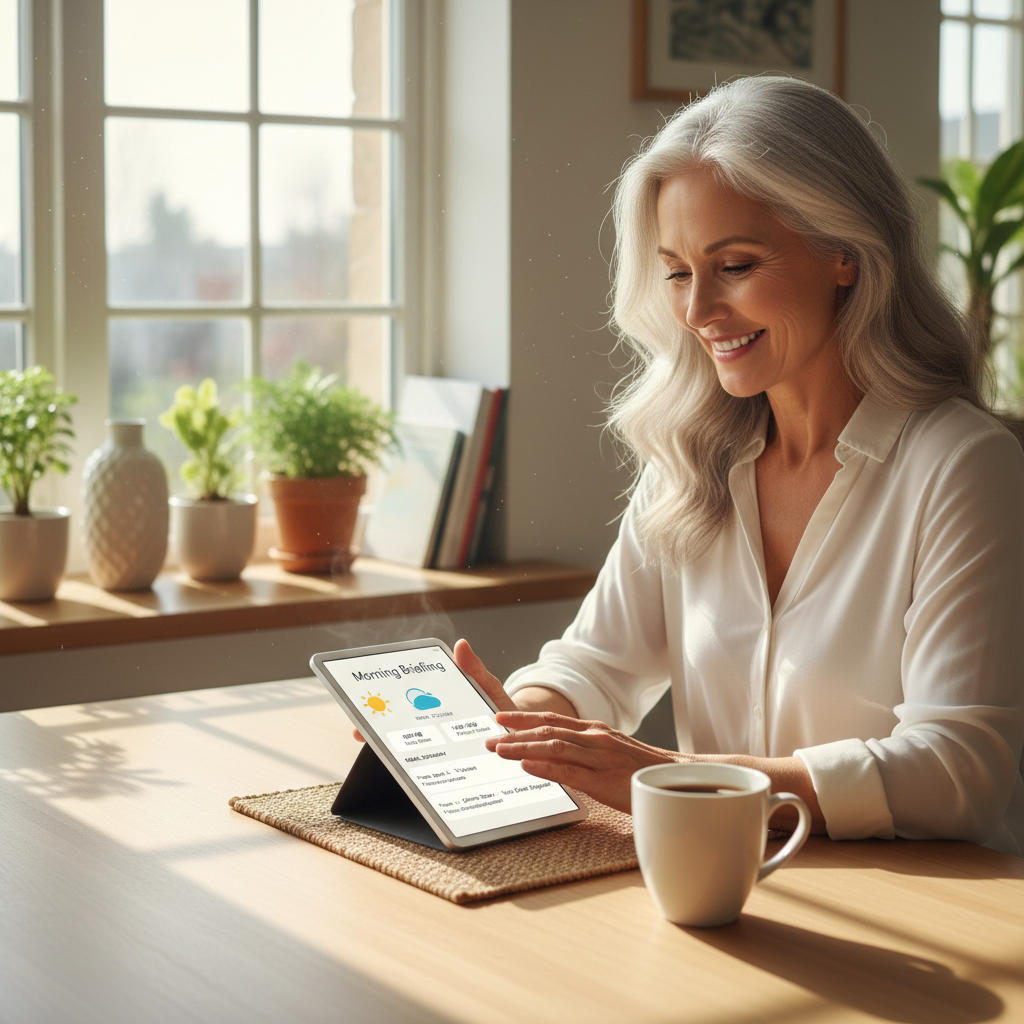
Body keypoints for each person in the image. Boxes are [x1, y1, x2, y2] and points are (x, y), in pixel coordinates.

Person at [456, 75, 1024, 855]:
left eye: (737, 265)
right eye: (679, 272)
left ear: (844, 256)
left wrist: (681, 776)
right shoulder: (690, 458)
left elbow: (961, 772)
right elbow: (597, 665)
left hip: (922, 930)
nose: (696, 314)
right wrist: (510, 729)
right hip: (725, 898)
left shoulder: (962, 466)